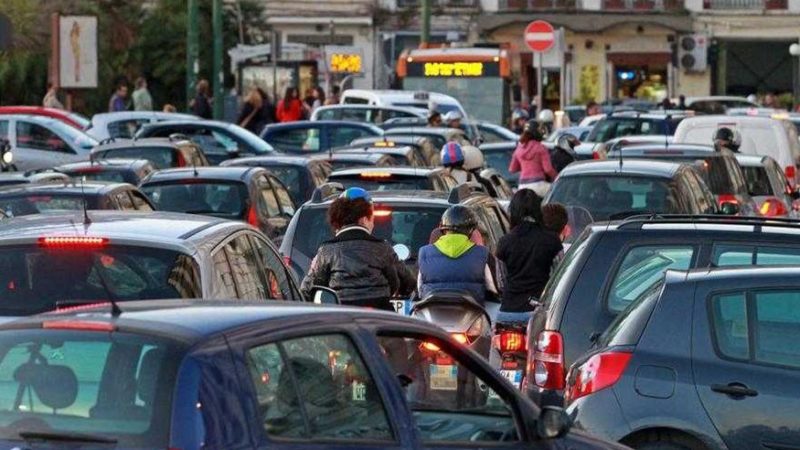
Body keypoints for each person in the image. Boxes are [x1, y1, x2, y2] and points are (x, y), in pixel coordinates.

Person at [300, 187, 415, 310]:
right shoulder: (383, 248)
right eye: (372, 219)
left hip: (341, 316)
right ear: (364, 220)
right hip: (380, 316)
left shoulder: (327, 250)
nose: (373, 224)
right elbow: (408, 283)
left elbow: (307, 291)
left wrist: (312, 270)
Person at [495, 189, 563, 319]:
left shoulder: (504, 242)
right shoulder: (553, 241)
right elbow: (559, 277)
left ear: (513, 211)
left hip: (509, 311)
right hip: (540, 312)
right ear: (538, 210)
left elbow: (501, 282)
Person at [417, 205, 500, 304]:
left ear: (442, 228)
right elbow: (493, 288)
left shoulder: (424, 253)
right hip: (473, 311)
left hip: (432, 310)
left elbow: (419, 288)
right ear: (471, 230)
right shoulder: (483, 254)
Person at [509, 120, 557, 197]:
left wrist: (524, 164)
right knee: (558, 194)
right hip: (539, 185)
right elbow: (548, 169)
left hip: (522, 186)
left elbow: (512, 169)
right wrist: (557, 178)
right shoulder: (541, 148)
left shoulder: (519, 149)